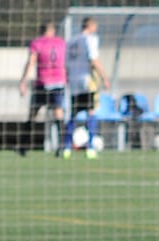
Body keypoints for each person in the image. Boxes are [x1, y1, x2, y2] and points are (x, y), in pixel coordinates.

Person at [18, 20, 69, 156]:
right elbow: (65, 62)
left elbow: (31, 62)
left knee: (33, 114)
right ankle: (63, 146)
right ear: (52, 30)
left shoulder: (37, 43)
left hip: (43, 82)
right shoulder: (61, 43)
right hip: (58, 82)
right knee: (58, 113)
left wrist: (23, 81)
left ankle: (24, 147)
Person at [65, 16, 110, 152]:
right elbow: (93, 60)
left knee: (73, 113)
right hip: (87, 80)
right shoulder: (90, 39)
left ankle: (67, 147)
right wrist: (104, 78)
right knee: (91, 111)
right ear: (90, 26)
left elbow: (66, 63)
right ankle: (90, 147)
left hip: (74, 81)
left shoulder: (72, 40)